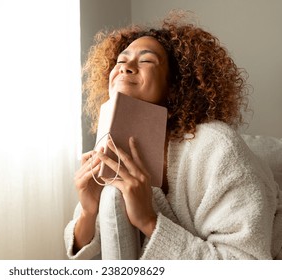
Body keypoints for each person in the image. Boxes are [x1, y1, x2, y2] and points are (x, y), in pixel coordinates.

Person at [64, 10, 282, 259]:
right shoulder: (114, 144)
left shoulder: (217, 147)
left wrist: (148, 220)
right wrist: (88, 212)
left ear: (175, 87)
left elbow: (246, 263)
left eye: (146, 61)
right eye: (120, 62)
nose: (125, 68)